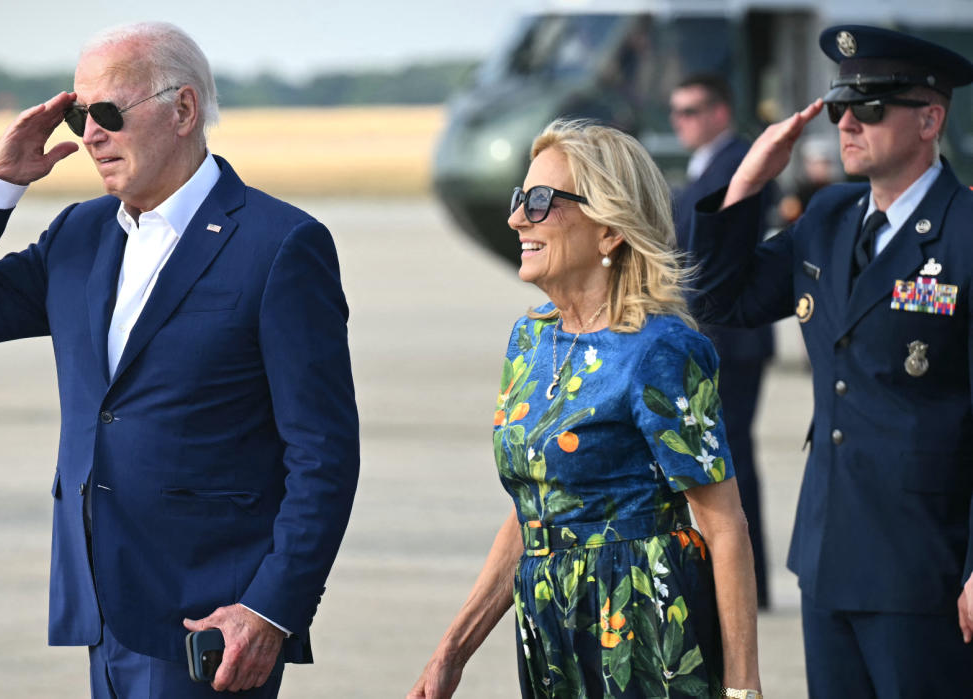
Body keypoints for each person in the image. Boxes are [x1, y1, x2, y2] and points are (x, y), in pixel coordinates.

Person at [0, 22, 359, 699]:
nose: (89, 135)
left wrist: (272, 610)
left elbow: (323, 453)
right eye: (81, 114)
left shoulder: (280, 245)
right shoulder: (80, 236)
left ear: (182, 110)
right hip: (102, 613)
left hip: (215, 625)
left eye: (108, 113)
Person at [408, 119, 761, 699]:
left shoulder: (662, 351)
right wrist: (453, 650)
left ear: (610, 230)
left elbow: (724, 527)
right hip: (551, 633)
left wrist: (743, 687)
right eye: (521, 198)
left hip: (645, 631)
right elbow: (537, 509)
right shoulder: (530, 341)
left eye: (542, 201)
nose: (517, 217)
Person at [685, 24, 973, 698]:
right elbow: (720, 298)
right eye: (841, 105)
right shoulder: (830, 219)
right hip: (829, 553)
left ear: (930, 118)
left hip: (926, 560)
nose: (847, 122)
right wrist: (748, 177)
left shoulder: (964, 235)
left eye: (871, 106)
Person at [670, 73, 775, 609]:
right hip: (715, 337)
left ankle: (745, 583)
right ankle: (742, 582)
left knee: (727, 461)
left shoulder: (734, 161)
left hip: (729, 340)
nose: (680, 121)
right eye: (676, 112)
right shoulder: (707, 164)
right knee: (725, 459)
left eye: (690, 111)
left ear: (719, 111)